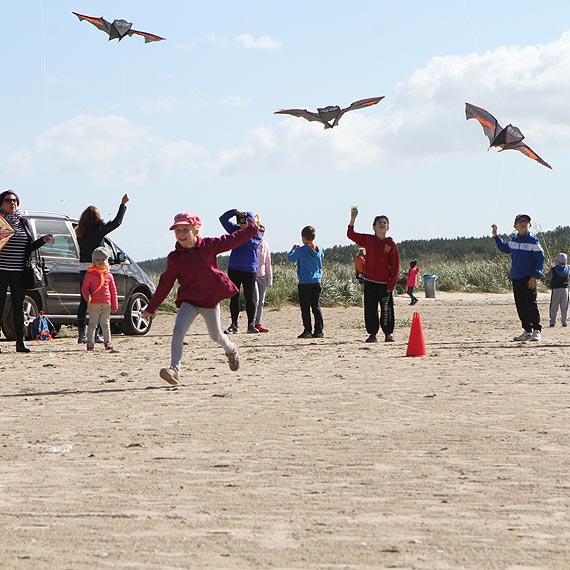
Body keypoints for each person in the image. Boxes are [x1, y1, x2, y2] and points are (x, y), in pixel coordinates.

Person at [143, 212, 259, 385]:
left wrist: (252, 229)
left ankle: (231, 349)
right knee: (178, 331)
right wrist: (152, 307)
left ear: (195, 230)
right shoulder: (175, 258)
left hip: (210, 300)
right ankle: (174, 369)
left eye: (185, 229)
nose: (181, 234)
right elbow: (165, 283)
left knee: (216, 335)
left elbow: (232, 240)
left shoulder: (209, 245)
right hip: (190, 300)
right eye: (178, 230)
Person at [0, 190, 54, 353]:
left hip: (18, 272)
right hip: (1, 270)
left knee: (19, 307)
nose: (12, 203)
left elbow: (28, 247)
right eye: (9, 200)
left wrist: (42, 241)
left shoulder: (22, 222)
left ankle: (20, 342)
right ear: (1, 203)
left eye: (15, 200)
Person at [75, 194, 129, 343]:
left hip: (83, 267)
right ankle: (96, 334)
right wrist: (123, 205)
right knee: (99, 301)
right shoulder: (99, 229)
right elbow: (117, 222)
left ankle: (81, 334)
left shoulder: (80, 232)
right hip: (97, 268)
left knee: (84, 301)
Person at [347, 207, 400, 343]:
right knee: (370, 309)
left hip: (384, 284)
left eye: (384, 223)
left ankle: (388, 334)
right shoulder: (368, 240)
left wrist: (391, 285)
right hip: (370, 281)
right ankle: (372, 334)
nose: (382, 224)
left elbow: (395, 266)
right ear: (374, 227)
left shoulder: (391, 244)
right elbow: (351, 235)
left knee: (386, 309)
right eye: (379, 223)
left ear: (388, 227)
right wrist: (353, 218)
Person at [492, 214, 545, 341]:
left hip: (529, 279)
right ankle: (527, 331)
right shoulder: (514, 241)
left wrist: (534, 276)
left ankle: (537, 330)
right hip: (516, 278)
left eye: (526, 221)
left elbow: (540, 260)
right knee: (521, 305)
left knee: (531, 304)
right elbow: (504, 248)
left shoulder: (533, 241)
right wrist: (496, 236)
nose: (523, 223)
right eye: (521, 221)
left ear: (530, 225)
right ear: (515, 226)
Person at [219, 208, 262, 334]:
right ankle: (234, 324)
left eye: (247, 220)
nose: (244, 222)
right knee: (234, 297)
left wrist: (246, 231)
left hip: (249, 269)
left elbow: (251, 246)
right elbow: (222, 219)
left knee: (250, 297)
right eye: (243, 220)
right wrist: (234, 212)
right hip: (234, 267)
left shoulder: (257, 233)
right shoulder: (235, 230)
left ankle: (251, 324)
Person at [287, 225, 324, 339]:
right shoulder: (320, 249)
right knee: (316, 306)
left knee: (305, 307)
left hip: (305, 282)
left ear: (303, 237)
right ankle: (319, 331)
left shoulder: (301, 250)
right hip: (317, 280)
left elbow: (290, 258)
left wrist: (293, 249)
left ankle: (307, 330)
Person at [81, 247, 119, 352]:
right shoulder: (89, 274)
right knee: (92, 324)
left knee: (106, 324)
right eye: (98, 260)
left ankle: (108, 343)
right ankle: (90, 343)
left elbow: (113, 291)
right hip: (94, 303)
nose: (101, 262)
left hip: (107, 303)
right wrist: (87, 296)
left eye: (103, 259)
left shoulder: (109, 275)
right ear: (94, 261)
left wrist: (115, 304)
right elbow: (84, 288)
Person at [253, 224, 272, 332]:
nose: (261, 233)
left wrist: (270, 279)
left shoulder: (265, 245)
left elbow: (268, 261)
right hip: (253, 275)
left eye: (262, 231)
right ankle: (252, 322)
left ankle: (258, 323)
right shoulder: (252, 243)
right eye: (259, 231)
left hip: (262, 275)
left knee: (261, 301)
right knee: (255, 299)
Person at [544, 252, 569, 328]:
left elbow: (547, 277)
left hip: (555, 290)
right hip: (565, 290)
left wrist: (549, 271)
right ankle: (564, 322)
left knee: (554, 306)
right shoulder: (568, 267)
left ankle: (552, 322)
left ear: (557, 261)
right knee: (565, 306)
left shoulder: (553, 269)